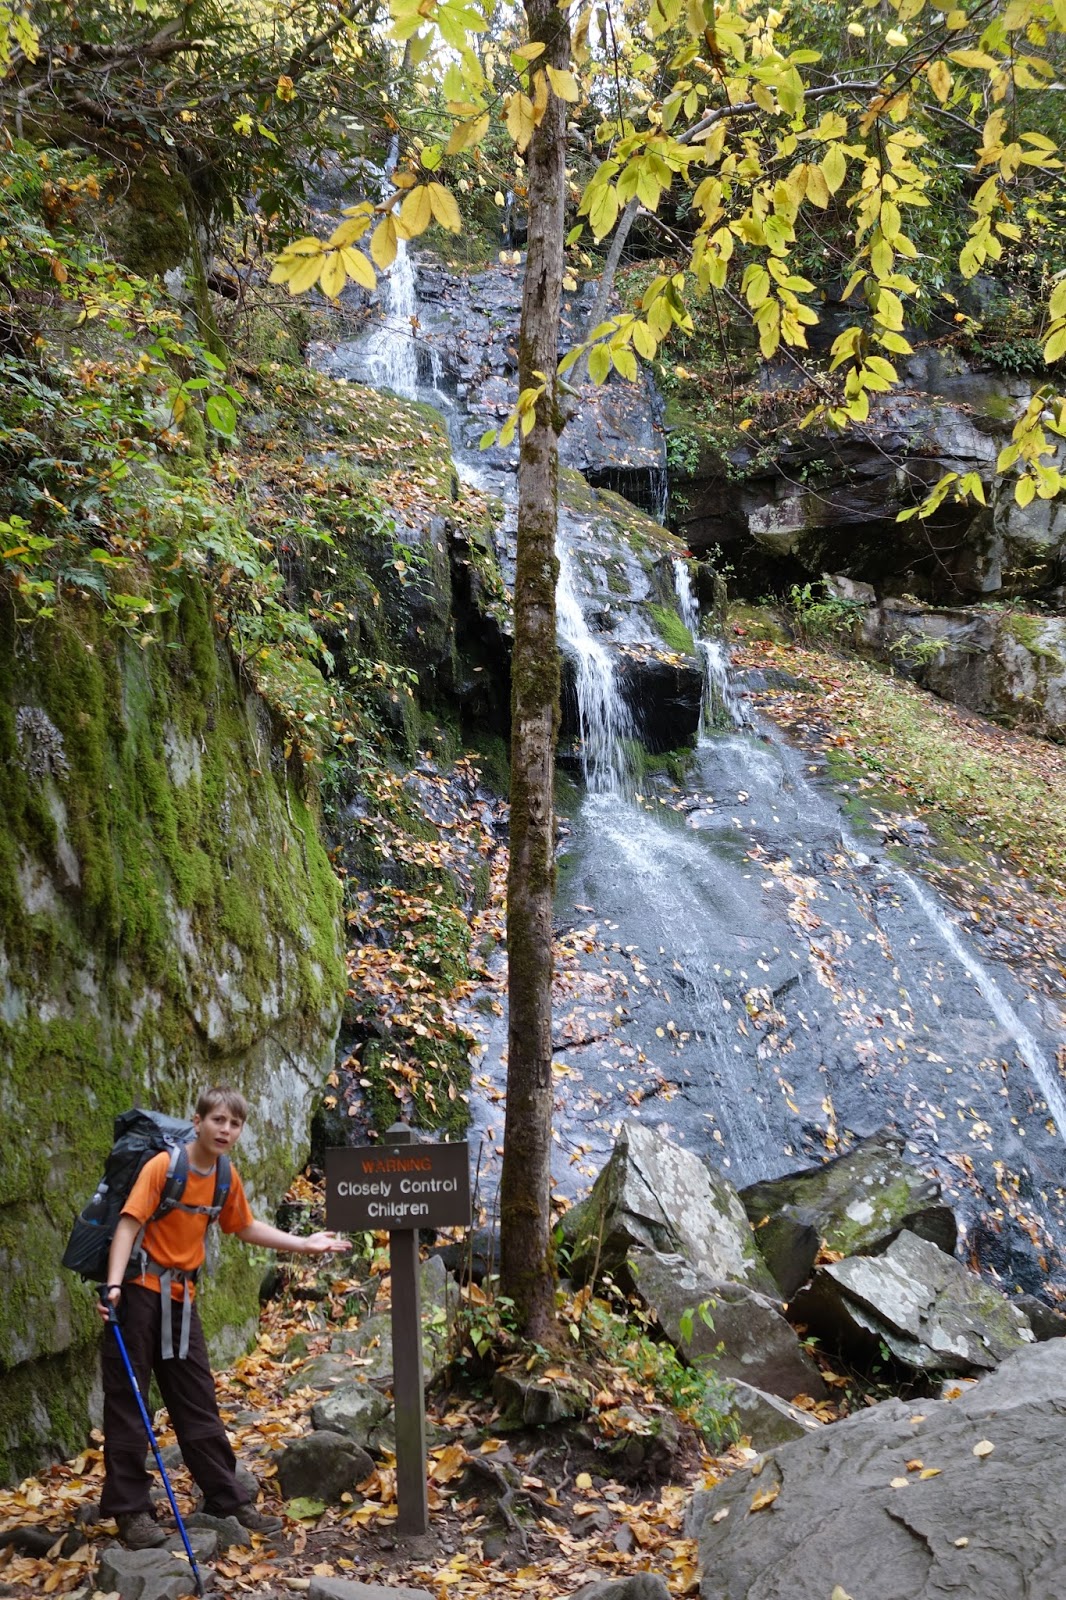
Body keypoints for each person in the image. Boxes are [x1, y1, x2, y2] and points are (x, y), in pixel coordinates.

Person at [97, 1085, 348, 1550]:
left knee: (197, 1397)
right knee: (129, 1402)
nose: (226, 1129)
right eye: (218, 1120)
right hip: (136, 1293)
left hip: (181, 1298)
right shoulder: (163, 1167)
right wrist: (112, 1287)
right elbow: (129, 1224)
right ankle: (130, 1510)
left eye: (234, 1123)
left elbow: (244, 1226)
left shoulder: (223, 1177)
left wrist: (305, 1243)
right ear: (198, 1122)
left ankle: (223, 1498)